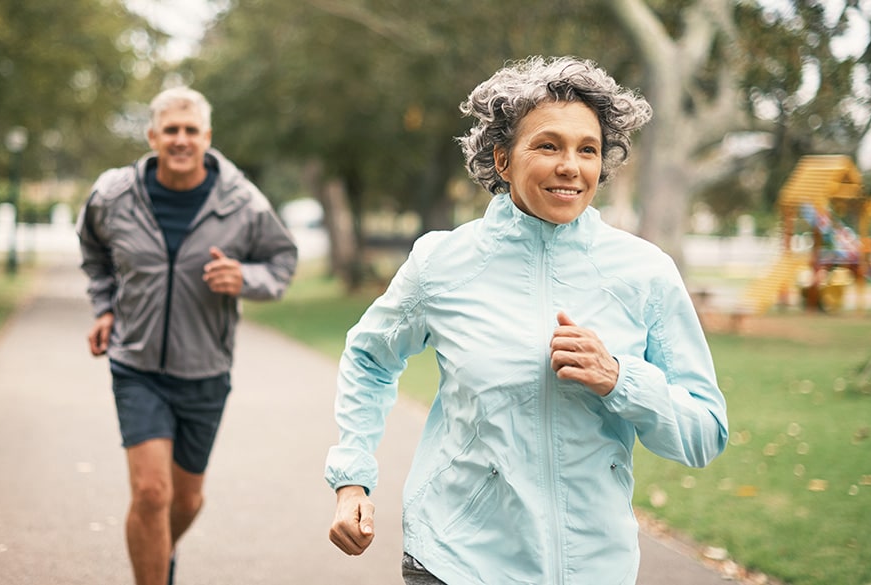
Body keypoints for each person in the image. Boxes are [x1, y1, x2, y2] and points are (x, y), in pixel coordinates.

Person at [325, 56, 728, 584]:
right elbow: (369, 358)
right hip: (455, 559)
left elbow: (705, 434)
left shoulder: (645, 273)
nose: (571, 166)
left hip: (595, 569)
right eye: (548, 145)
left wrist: (620, 379)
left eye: (588, 149)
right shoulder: (443, 263)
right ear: (503, 159)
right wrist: (352, 479)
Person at [77, 86, 297, 585]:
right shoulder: (113, 195)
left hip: (205, 371)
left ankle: (154, 554)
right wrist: (104, 307)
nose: (181, 139)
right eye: (171, 130)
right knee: (152, 493)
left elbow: (282, 262)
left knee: (187, 499)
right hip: (136, 366)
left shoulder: (242, 202)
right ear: (153, 135)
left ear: (207, 137)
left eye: (190, 130)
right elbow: (93, 250)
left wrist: (245, 279)